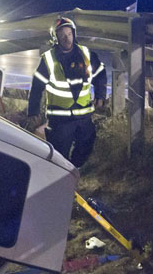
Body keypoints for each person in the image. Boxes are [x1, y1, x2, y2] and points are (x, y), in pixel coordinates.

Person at [27, 17, 107, 167]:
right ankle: (59, 179)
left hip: (84, 116)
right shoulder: (49, 59)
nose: (67, 38)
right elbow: (37, 86)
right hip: (60, 121)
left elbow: (100, 74)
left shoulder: (86, 54)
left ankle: (74, 171)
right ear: (56, 37)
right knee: (58, 157)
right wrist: (33, 111)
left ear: (74, 34)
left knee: (86, 147)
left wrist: (100, 95)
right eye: (62, 35)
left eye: (69, 34)